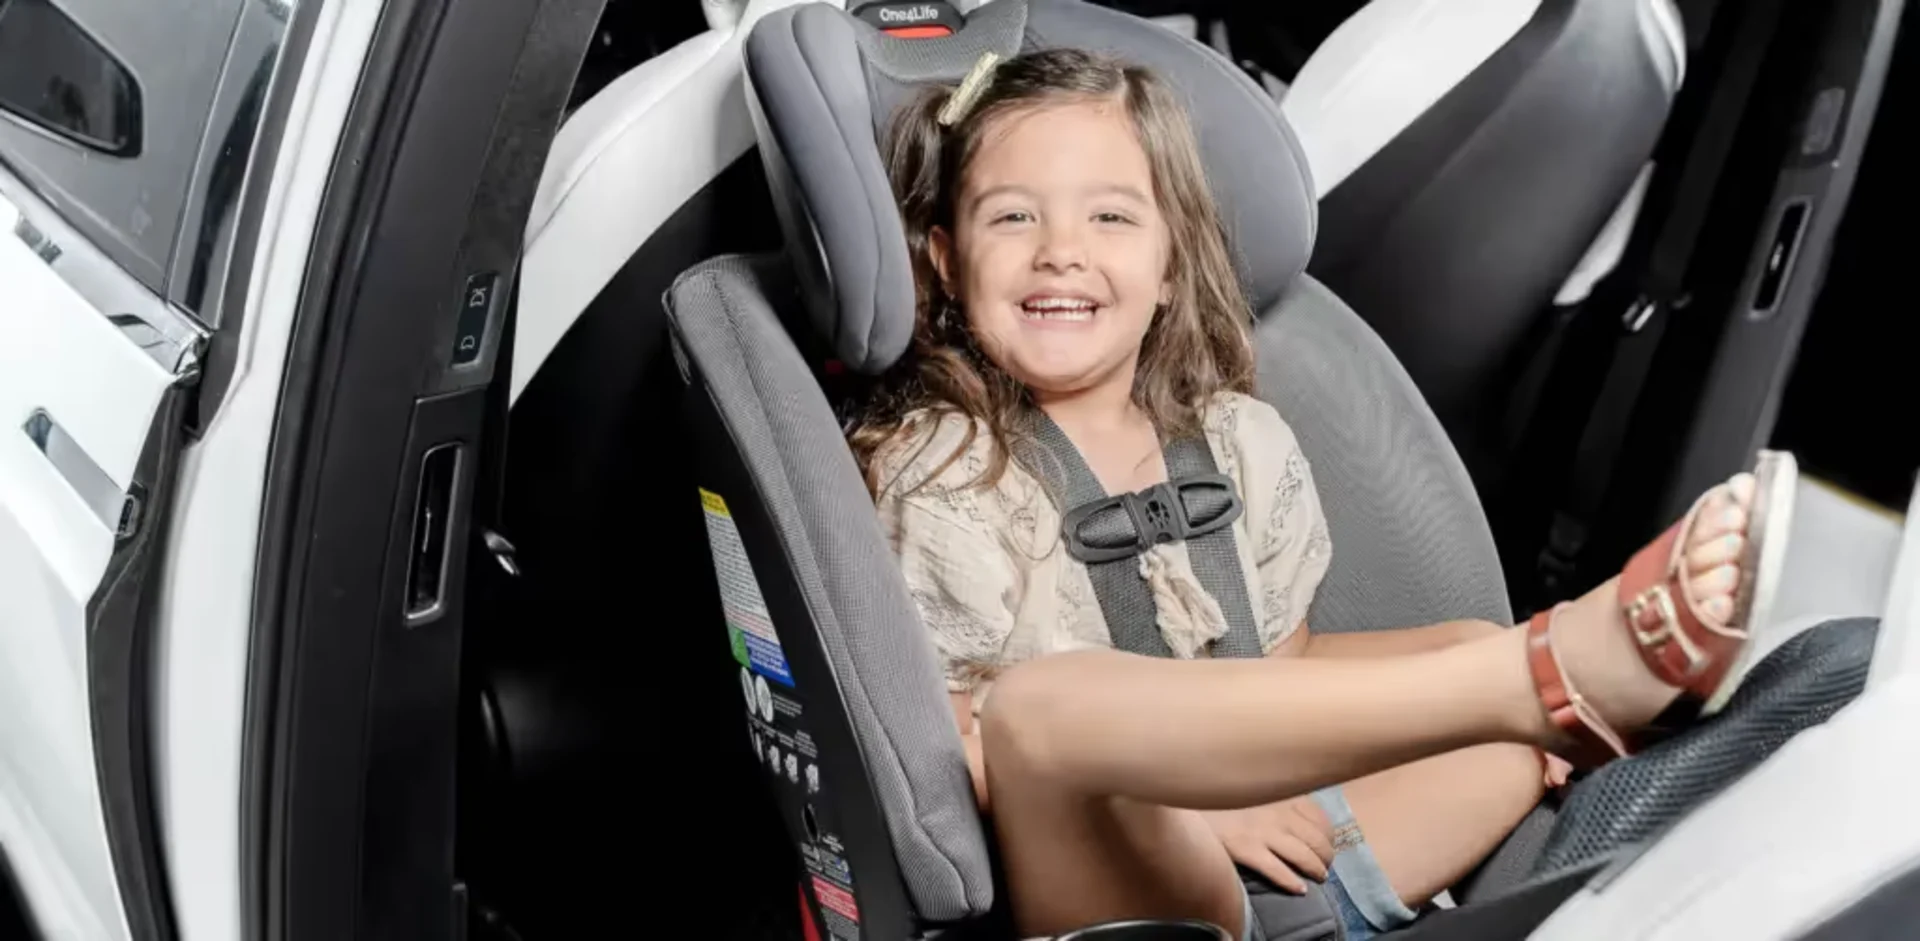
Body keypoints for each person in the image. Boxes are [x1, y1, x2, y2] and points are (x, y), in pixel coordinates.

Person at [848, 47, 1790, 941]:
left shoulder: (1234, 442)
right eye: (1013, 217)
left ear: (1171, 265)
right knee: (1040, 710)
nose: (1060, 250)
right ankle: (1553, 675)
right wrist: (1190, 805)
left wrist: (1434, 685)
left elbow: (1282, 663)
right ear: (944, 262)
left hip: (1273, 865)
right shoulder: (946, 474)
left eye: (1110, 217)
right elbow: (953, 747)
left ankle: (1496, 708)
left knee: (1471, 666)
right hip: (1102, 884)